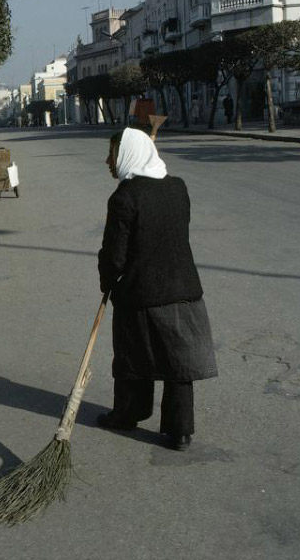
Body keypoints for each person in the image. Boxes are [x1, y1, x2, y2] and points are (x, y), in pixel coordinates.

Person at [97, 128, 217, 451]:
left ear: (128, 155)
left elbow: (115, 255)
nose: (108, 161)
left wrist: (107, 280)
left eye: (113, 153)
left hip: (142, 295)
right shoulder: (178, 188)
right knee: (179, 363)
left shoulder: (124, 197)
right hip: (184, 291)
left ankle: (128, 413)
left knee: (131, 356)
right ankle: (180, 432)